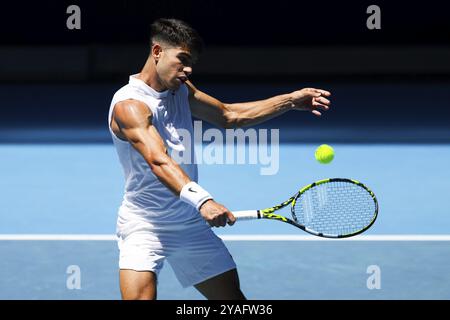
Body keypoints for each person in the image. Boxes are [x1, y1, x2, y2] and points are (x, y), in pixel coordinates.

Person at [108, 18, 331, 300]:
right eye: (183, 60)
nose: (188, 70)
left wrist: (289, 100)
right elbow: (158, 161)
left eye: (192, 63)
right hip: (144, 226)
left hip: (189, 225)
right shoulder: (130, 106)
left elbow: (228, 115)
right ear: (157, 52)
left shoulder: (181, 90)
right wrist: (204, 201)